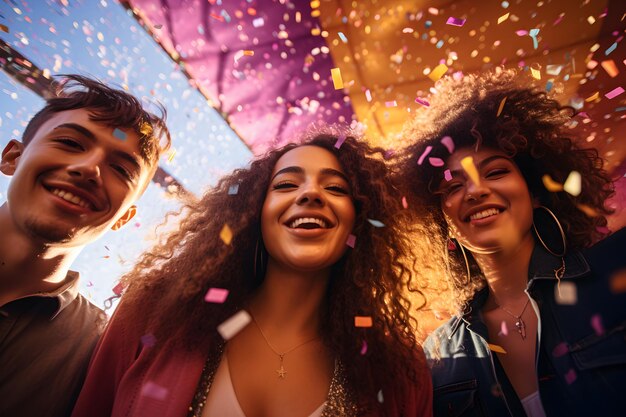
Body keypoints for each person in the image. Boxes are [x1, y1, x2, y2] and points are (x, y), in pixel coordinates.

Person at [71, 131, 433, 417]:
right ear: (252, 213)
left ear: (362, 220)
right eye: (286, 185)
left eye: (336, 188)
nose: (310, 194)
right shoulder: (154, 310)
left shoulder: (400, 369)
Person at [394, 68, 626, 417]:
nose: (475, 190)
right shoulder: (439, 357)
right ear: (444, 220)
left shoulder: (618, 268)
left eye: (496, 172)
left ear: (534, 193)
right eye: (454, 186)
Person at [0, 74, 171, 417]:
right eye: (70, 143)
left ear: (124, 217)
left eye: (121, 169)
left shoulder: (103, 353)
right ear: (12, 157)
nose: (89, 168)